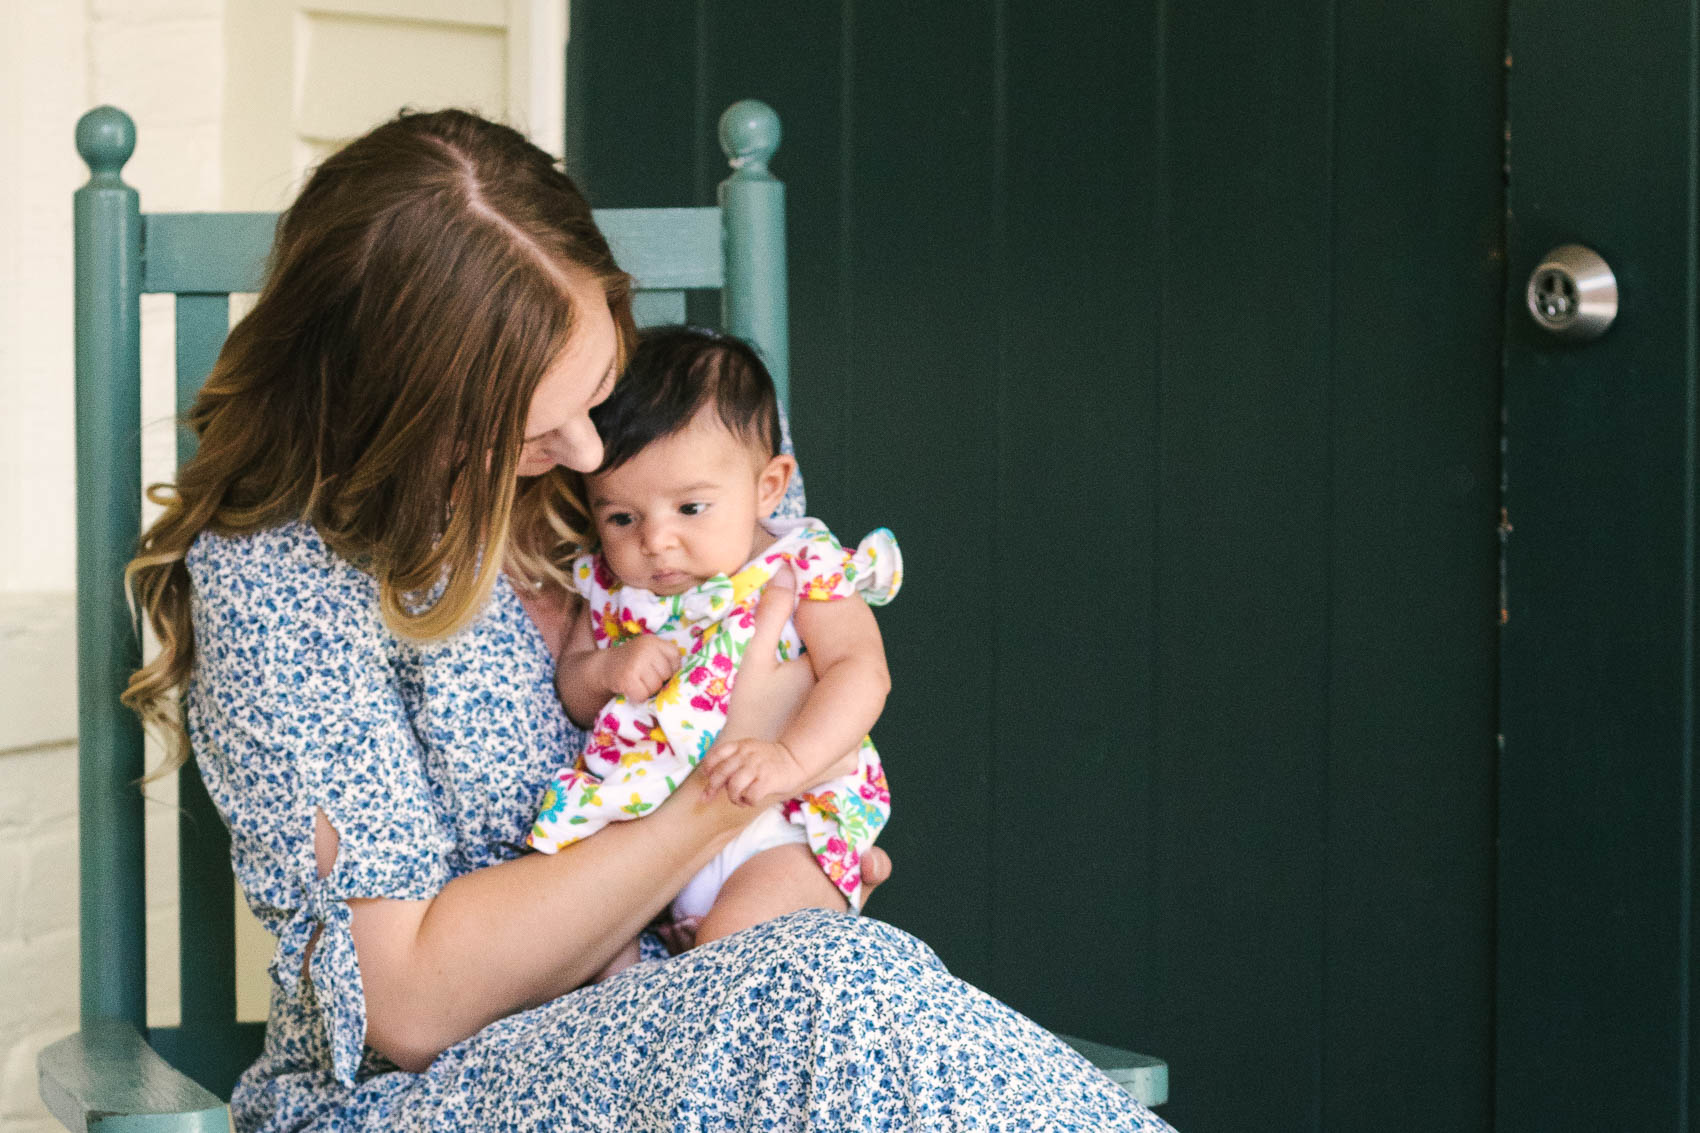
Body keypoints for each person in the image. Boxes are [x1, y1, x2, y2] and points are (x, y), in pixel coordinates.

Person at [123, 108, 1174, 1131]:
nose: (588, 456)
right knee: (829, 992)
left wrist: (787, 840)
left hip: (720, 1005)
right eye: (530, 427)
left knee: (840, 987)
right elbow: (411, 1001)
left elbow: (822, 661)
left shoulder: (652, 447)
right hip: (442, 1089)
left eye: (595, 385)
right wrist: (711, 799)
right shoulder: (283, 584)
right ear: (405, 408)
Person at [528, 326, 900, 973]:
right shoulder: (614, 590)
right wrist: (608, 667)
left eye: (690, 506)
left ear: (768, 485)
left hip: (782, 820)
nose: (656, 540)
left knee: (738, 947)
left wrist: (789, 757)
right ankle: (638, 1008)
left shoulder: (800, 565)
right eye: (622, 517)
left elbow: (862, 672)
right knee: (584, 954)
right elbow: (574, 688)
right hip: (641, 832)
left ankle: (705, 967)